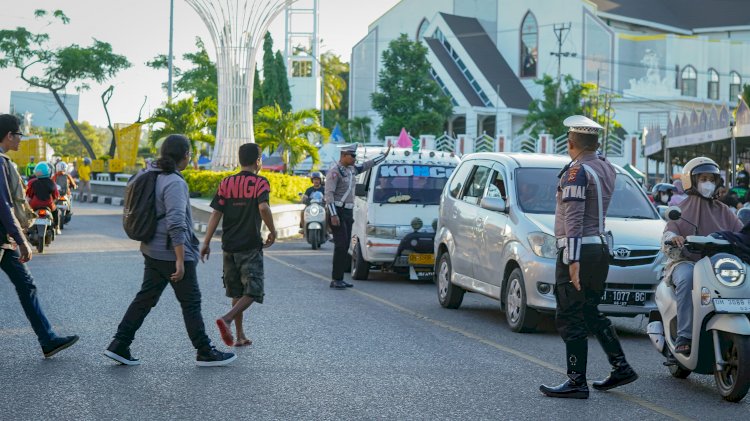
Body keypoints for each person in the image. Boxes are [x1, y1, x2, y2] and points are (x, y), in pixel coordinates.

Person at [104, 134, 236, 367]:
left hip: (151, 249)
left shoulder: (148, 173)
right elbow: (176, 222)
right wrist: (180, 259)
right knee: (191, 301)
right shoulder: (174, 182)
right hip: (171, 252)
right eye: (190, 154)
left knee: (145, 298)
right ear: (184, 156)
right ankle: (204, 351)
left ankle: (119, 344)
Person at [540, 115, 637, 399]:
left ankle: (576, 381)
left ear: (570, 143)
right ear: (596, 143)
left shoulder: (576, 171)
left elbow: (573, 217)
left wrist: (572, 260)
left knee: (570, 316)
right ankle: (621, 367)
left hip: (580, 250)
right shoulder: (607, 167)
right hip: (599, 249)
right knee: (591, 311)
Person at [0, 114, 78, 358]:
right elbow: (3, 205)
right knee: (26, 286)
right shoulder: (1, 164)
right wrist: (22, 240)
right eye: (19, 135)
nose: (21, 140)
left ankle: (48, 339)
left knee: (27, 285)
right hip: (4, 239)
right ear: (9, 136)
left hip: (4, 240)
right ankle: (47, 338)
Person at [662, 157, 742, 356]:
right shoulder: (680, 210)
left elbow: (740, 233)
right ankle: (685, 336)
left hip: (717, 265)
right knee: (689, 276)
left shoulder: (725, 210)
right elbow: (668, 235)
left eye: (711, 179)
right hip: (685, 262)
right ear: (693, 181)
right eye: (703, 178)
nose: (708, 183)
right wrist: (675, 238)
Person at [200, 143, 276, 347]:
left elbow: (216, 213)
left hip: (229, 245)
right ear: (258, 161)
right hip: (249, 245)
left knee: (237, 292)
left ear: (240, 160)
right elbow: (264, 208)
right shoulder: (261, 182)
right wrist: (273, 230)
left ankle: (240, 335)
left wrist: (206, 242)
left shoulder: (226, 183)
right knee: (253, 291)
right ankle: (227, 319)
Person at [325, 143, 390, 289]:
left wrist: (384, 156)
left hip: (348, 212)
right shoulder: (335, 172)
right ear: (343, 155)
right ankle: (336, 279)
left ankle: (339, 278)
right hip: (338, 211)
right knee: (341, 246)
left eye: (355, 156)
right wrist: (334, 215)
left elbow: (368, 165)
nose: (354, 158)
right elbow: (328, 195)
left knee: (345, 245)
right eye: (352, 156)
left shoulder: (351, 170)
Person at [26, 162, 62, 234]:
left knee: (27, 213)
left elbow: (28, 196)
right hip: (48, 204)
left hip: (34, 204)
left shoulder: (31, 182)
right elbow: (56, 196)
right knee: (56, 211)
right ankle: (57, 227)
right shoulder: (52, 182)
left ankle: (26, 228)